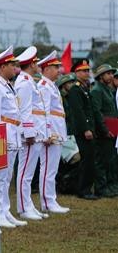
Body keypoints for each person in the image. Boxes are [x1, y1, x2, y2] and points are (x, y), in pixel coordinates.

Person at [0, 46, 27, 228]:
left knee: (7, 177)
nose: (15, 69)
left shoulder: (7, 86)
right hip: (1, 135)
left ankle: (5, 210)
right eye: (12, 65)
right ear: (3, 66)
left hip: (13, 135)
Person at [14, 46, 50, 220]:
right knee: (25, 173)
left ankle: (28, 204)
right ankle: (23, 207)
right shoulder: (25, 83)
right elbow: (25, 109)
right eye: (36, 62)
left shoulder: (29, 81)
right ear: (32, 64)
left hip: (35, 131)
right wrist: (28, 133)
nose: (38, 65)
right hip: (30, 133)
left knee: (29, 172)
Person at [36, 51, 70, 214]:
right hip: (51, 132)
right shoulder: (43, 86)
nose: (59, 70)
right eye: (56, 67)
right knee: (48, 168)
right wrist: (47, 132)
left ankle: (51, 199)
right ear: (47, 68)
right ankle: (47, 202)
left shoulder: (51, 85)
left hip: (57, 129)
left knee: (52, 168)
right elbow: (45, 112)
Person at [66, 60, 101, 199]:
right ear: (77, 73)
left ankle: (86, 188)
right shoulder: (75, 89)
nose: (87, 73)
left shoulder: (83, 87)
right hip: (83, 131)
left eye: (88, 70)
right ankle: (83, 190)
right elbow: (79, 112)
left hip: (89, 129)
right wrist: (86, 129)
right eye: (84, 71)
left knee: (90, 160)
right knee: (86, 161)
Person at [89, 64, 118, 197]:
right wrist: (105, 130)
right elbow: (97, 112)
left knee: (110, 160)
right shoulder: (97, 90)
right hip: (103, 131)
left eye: (112, 73)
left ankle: (110, 186)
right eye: (108, 74)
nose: (111, 76)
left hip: (111, 129)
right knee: (101, 161)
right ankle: (101, 188)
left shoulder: (106, 89)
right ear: (101, 76)